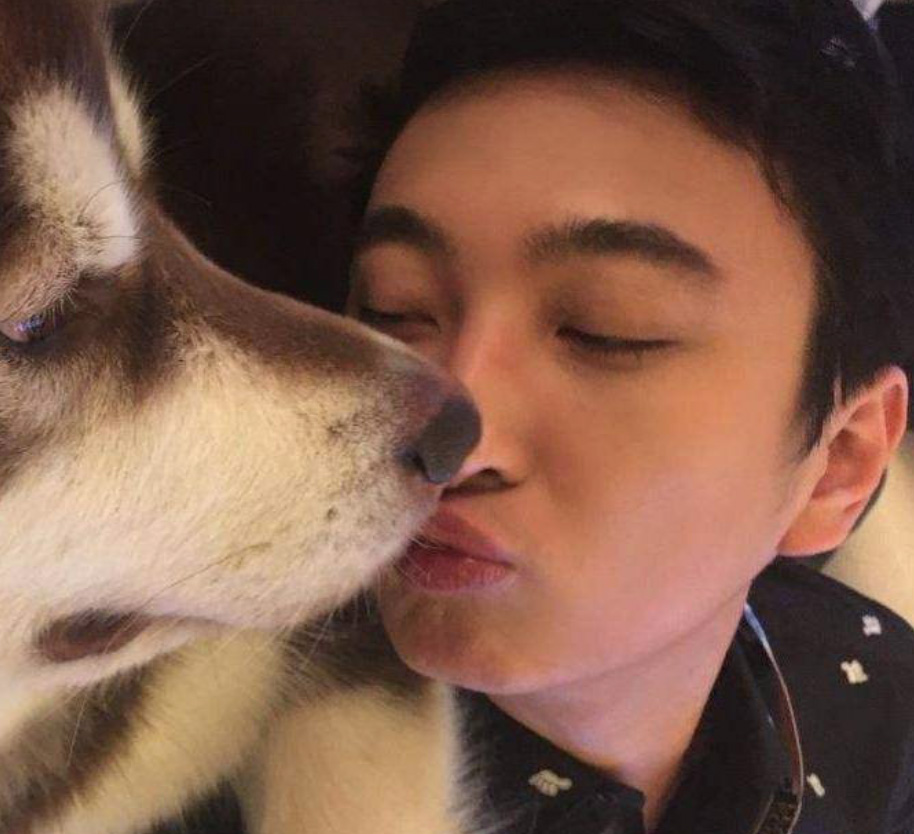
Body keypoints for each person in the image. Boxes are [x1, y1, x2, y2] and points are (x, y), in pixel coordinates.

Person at [347, 0, 914, 831]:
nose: (444, 445)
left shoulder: (870, 697)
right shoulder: (204, 769)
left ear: (839, 465)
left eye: (606, 329)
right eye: (394, 312)